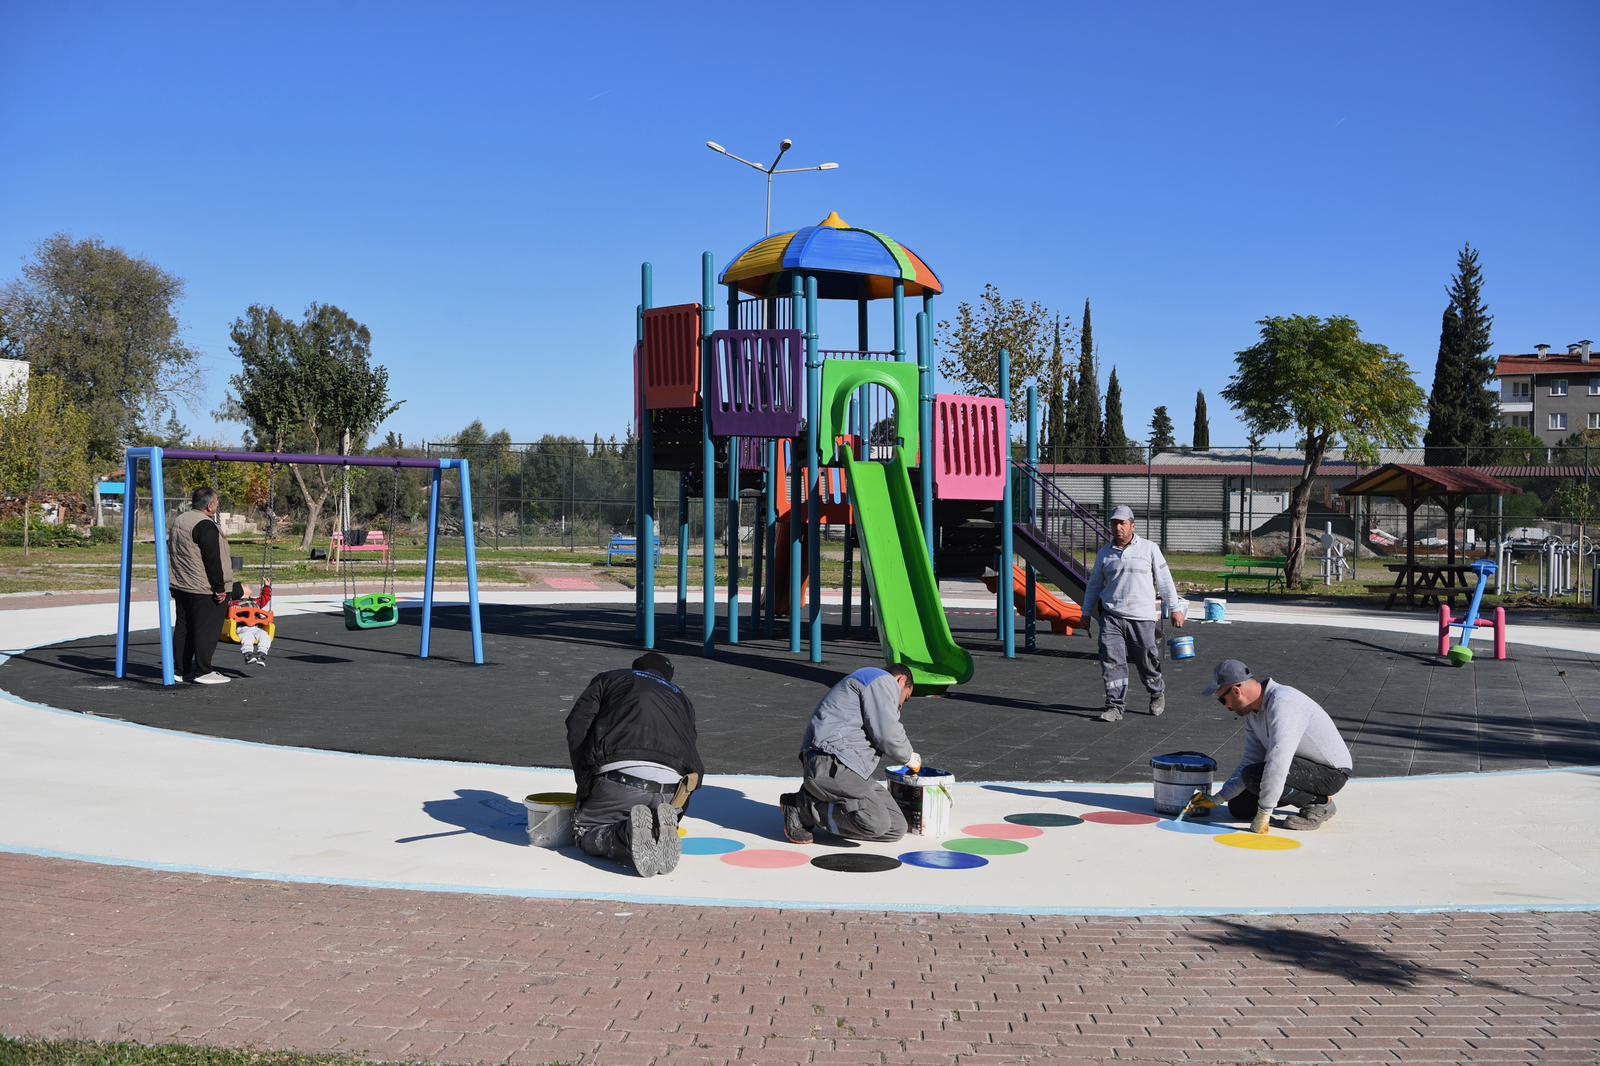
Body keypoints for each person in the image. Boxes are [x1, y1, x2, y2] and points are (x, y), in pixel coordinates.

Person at [565, 652, 703, 877]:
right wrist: (677, 812)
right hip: (672, 787)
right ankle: (658, 827)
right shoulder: (682, 698)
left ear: (636, 667)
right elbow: (691, 750)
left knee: (585, 831)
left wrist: (585, 784)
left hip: (619, 778)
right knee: (646, 815)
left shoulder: (611, 678)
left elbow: (577, 726)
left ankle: (624, 834)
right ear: (668, 678)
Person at [1192, 659, 1354, 832]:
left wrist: (1265, 812)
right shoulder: (1252, 714)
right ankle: (1306, 798)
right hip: (1297, 766)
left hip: (1331, 772)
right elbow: (1250, 760)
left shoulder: (1283, 703)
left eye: (1223, 701)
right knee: (1239, 806)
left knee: (1255, 776)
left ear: (1236, 691)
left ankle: (1321, 803)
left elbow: (1279, 761)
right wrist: (1218, 798)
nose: (1227, 707)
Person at [780, 664, 919, 844]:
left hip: (852, 768)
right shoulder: (882, 680)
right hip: (832, 760)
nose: (900, 705)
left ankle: (820, 806)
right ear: (901, 680)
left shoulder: (870, 683)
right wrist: (909, 757)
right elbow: (887, 733)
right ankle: (801, 807)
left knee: (895, 827)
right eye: (905, 698)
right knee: (876, 822)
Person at [1079, 504, 1186, 722]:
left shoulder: (1149, 549)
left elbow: (1165, 581)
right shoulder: (1105, 554)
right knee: (1111, 660)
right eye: (1114, 523)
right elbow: (1094, 585)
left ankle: (1156, 692)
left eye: (1122, 523)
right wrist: (1086, 612)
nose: (1118, 527)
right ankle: (1115, 706)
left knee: (1146, 660)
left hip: (1142, 617)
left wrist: (1175, 608)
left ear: (1132, 525)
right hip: (1112, 616)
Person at [168, 487, 248, 685]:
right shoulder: (206, 526)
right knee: (207, 629)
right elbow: (213, 560)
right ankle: (203, 670)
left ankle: (180, 669)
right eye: (217, 502)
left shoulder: (180, 520)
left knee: (183, 628)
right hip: (203, 587)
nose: (218, 505)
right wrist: (219, 588)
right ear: (210, 506)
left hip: (182, 583)